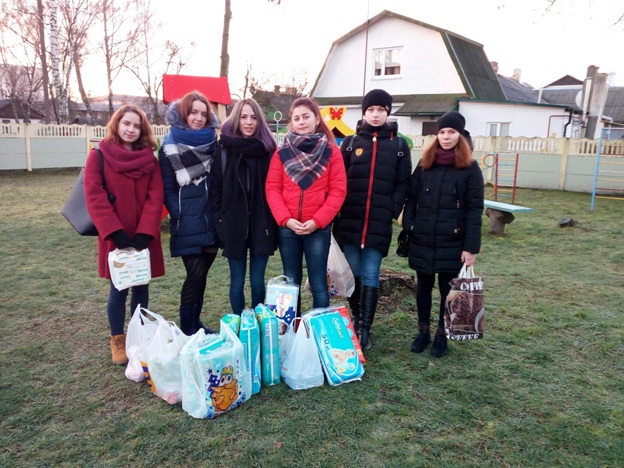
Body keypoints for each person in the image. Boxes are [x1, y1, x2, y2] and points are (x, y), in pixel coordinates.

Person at [84, 104, 165, 365]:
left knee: (141, 285)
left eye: (136, 125)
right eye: (126, 123)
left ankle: (139, 335)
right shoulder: (98, 156)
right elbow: (94, 196)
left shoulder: (150, 161)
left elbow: (155, 197)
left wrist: (146, 232)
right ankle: (117, 338)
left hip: (142, 235)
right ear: (116, 124)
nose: (131, 129)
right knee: (118, 288)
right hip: (115, 235)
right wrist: (114, 232)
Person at [332, 89, 412, 351]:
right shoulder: (350, 143)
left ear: (388, 112)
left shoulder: (399, 146)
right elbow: (339, 180)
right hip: (349, 221)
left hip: (378, 223)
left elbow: (403, 183)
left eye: (380, 110)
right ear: (364, 112)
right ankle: (356, 318)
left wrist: (391, 208)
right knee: (354, 273)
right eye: (370, 110)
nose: (375, 115)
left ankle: (366, 328)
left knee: (370, 275)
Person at [402, 111, 484, 358]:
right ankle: (423, 332)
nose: (446, 136)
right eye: (442, 132)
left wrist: (470, 247)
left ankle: (441, 334)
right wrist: (410, 225)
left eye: (451, 132)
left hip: (453, 241)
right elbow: (411, 198)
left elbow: (474, 209)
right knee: (423, 287)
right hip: (423, 238)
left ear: (460, 135)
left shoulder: (470, 168)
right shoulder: (425, 163)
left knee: (447, 289)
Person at [265, 97, 347, 312]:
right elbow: (272, 188)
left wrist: (317, 221)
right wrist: (286, 220)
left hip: (317, 228)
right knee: (291, 282)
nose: (301, 122)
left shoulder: (332, 152)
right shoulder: (281, 153)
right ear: (292, 122)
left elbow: (338, 191)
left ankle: (318, 328)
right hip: (288, 228)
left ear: (317, 119)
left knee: (319, 283)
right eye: (297, 118)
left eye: (306, 116)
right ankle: (294, 327)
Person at [159, 91, 220, 335]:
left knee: (202, 277)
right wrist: (178, 213)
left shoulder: (214, 144)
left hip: (211, 220)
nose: (199, 118)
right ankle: (187, 330)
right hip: (187, 222)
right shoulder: (169, 147)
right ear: (184, 113)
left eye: (204, 114)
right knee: (194, 275)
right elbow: (167, 187)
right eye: (193, 112)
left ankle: (196, 324)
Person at [212, 98, 278, 315]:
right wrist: (220, 223)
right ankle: (240, 325)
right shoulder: (224, 150)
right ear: (236, 119)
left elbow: (276, 189)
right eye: (243, 117)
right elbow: (216, 191)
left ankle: (258, 324)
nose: (249, 122)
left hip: (261, 225)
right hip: (233, 226)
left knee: (258, 281)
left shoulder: (268, 151)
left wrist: (272, 223)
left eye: (253, 117)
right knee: (237, 281)